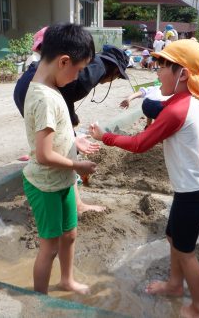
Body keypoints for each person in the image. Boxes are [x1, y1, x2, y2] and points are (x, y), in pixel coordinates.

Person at [90, 39, 199, 318]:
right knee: (173, 237)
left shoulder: (178, 110)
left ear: (182, 73)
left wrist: (104, 137)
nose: (156, 72)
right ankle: (173, 284)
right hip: (196, 188)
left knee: (186, 252)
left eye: (162, 67)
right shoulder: (196, 101)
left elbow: (139, 144)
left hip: (193, 194)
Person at [14, 30, 129, 214]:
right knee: (61, 148)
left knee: (62, 143)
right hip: (32, 92)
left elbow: (64, 95)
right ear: (114, 70)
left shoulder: (89, 69)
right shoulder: (95, 70)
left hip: (25, 87)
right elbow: (63, 93)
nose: (78, 74)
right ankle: (74, 203)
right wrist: (72, 136)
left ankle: (74, 201)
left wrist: (72, 133)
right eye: (79, 70)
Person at [22, 23, 97, 295]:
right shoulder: (43, 98)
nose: (78, 77)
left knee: (70, 234)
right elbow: (43, 154)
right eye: (77, 70)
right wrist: (78, 165)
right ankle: (39, 298)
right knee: (50, 245)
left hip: (62, 181)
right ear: (64, 61)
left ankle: (66, 280)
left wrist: (73, 141)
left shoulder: (51, 89)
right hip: (45, 185)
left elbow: (56, 136)